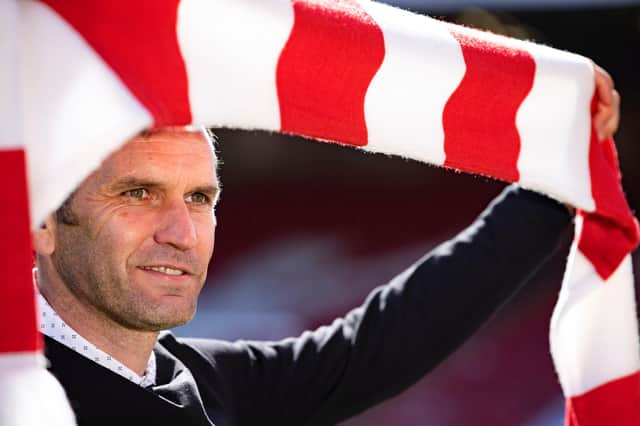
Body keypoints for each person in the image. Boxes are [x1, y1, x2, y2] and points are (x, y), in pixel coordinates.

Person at [32, 66, 620, 426]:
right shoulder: (21, 394)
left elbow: (377, 347)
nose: (181, 232)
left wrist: (549, 184)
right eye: (137, 194)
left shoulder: (200, 381)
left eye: (199, 199)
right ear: (40, 222)